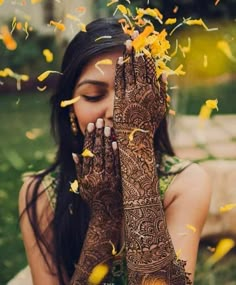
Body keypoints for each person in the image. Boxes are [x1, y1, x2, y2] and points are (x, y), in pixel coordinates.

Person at [18, 17, 211, 285]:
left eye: (131, 95)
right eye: (94, 96)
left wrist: (137, 150)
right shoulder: (40, 193)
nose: (116, 114)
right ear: (70, 109)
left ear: (155, 103)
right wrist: (104, 219)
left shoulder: (186, 183)